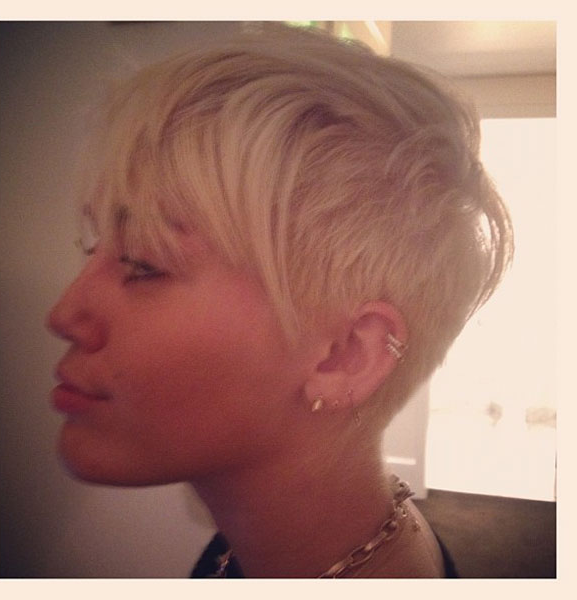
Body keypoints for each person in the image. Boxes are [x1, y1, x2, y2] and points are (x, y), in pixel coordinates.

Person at [47, 23, 513, 578]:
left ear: (345, 356)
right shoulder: (257, 550)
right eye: (94, 247)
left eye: (144, 263)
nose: (64, 315)